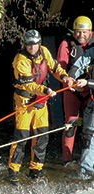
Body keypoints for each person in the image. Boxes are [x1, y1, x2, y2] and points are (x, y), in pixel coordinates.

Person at [8, 29, 74, 185]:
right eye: (29, 45)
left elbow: (54, 67)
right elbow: (28, 85)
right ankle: (13, 170)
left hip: (41, 101)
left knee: (42, 135)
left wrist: (65, 77)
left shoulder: (44, 52)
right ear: (25, 45)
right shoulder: (21, 60)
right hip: (24, 102)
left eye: (35, 44)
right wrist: (44, 90)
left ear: (39, 43)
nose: (32, 48)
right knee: (22, 137)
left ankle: (35, 169)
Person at [57, 16, 94, 165]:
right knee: (71, 125)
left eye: (84, 32)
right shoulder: (67, 44)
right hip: (72, 91)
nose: (81, 35)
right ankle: (67, 160)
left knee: (89, 128)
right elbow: (60, 70)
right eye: (78, 32)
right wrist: (69, 81)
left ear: (90, 32)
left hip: (90, 92)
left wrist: (87, 84)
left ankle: (86, 161)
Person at [68, 46, 94, 179]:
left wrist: (87, 83)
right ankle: (87, 169)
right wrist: (71, 78)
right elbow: (80, 63)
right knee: (88, 135)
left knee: (90, 134)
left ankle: (86, 169)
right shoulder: (92, 51)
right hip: (93, 101)